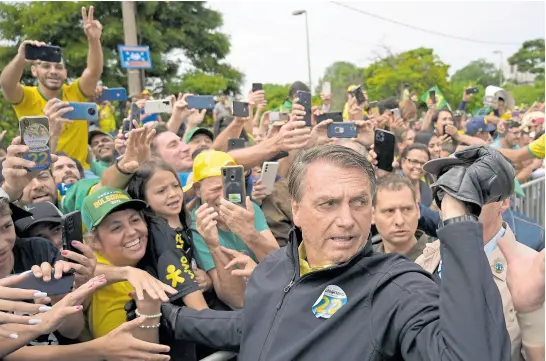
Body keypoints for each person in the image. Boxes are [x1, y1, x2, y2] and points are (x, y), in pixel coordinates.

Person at [161, 144, 535, 361]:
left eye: (359, 202)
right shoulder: (274, 268)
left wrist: (457, 217)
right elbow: (249, 325)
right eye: (328, 204)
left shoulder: (395, 286)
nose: (347, 220)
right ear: (297, 210)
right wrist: (166, 313)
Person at [415, 181, 545, 360]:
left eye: (475, 189)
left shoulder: (534, 268)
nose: (461, 200)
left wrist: (531, 312)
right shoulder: (426, 259)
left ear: (504, 202)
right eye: (450, 191)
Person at [0, 6, 103, 169]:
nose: (53, 71)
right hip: (40, 171)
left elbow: (93, 71)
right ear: (34, 70)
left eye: (58, 67)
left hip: (79, 174)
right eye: (46, 66)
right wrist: (21, 58)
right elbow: (6, 84)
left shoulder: (76, 92)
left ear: (65, 72)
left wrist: (94, 39)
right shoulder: (27, 96)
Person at [190, 150, 279, 308]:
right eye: (216, 189)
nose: (223, 196)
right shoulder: (197, 224)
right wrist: (214, 247)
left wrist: (249, 232)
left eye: (230, 188)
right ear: (198, 189)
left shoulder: (247, 208)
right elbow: (236, 301)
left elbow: (281, 268)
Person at [372, 175, 432, 261]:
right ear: (372, 215)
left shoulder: (441, 260)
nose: (399, 221)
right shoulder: (363, 263)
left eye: (407, 209)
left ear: (418, 210)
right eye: (389, 211)